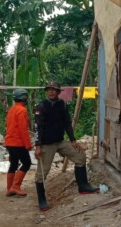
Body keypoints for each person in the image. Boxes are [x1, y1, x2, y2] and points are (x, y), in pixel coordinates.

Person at [34, 81, 99, 211]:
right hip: (47, 144)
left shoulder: (62, 104)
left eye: (54, 90)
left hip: (60, 141)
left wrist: (73, 140)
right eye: (49, 89)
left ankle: (83, 186)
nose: (51, 91)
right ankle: (42, 200)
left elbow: (67, 123)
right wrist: (38, 146)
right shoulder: (41, 106)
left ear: (58, 92)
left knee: (79, 155)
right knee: (42, 172)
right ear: (47, 91)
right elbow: (37, 127)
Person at [4, 88, 32, 197]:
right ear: (24, 98)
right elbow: (23, 129)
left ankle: (9, 189)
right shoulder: (22, 110)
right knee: (26, 163)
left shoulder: (12, 109)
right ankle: (15, 186)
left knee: (13, 164)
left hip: (9, 142)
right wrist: (28, 144)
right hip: (18, 142)